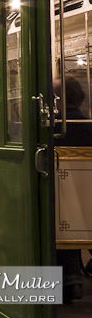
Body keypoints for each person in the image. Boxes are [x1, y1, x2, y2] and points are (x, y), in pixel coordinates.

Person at [53, 76, 92, 302]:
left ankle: (68, 278)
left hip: (64, 198)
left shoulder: (56, 129)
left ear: (57, 99)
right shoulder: (87, 124)